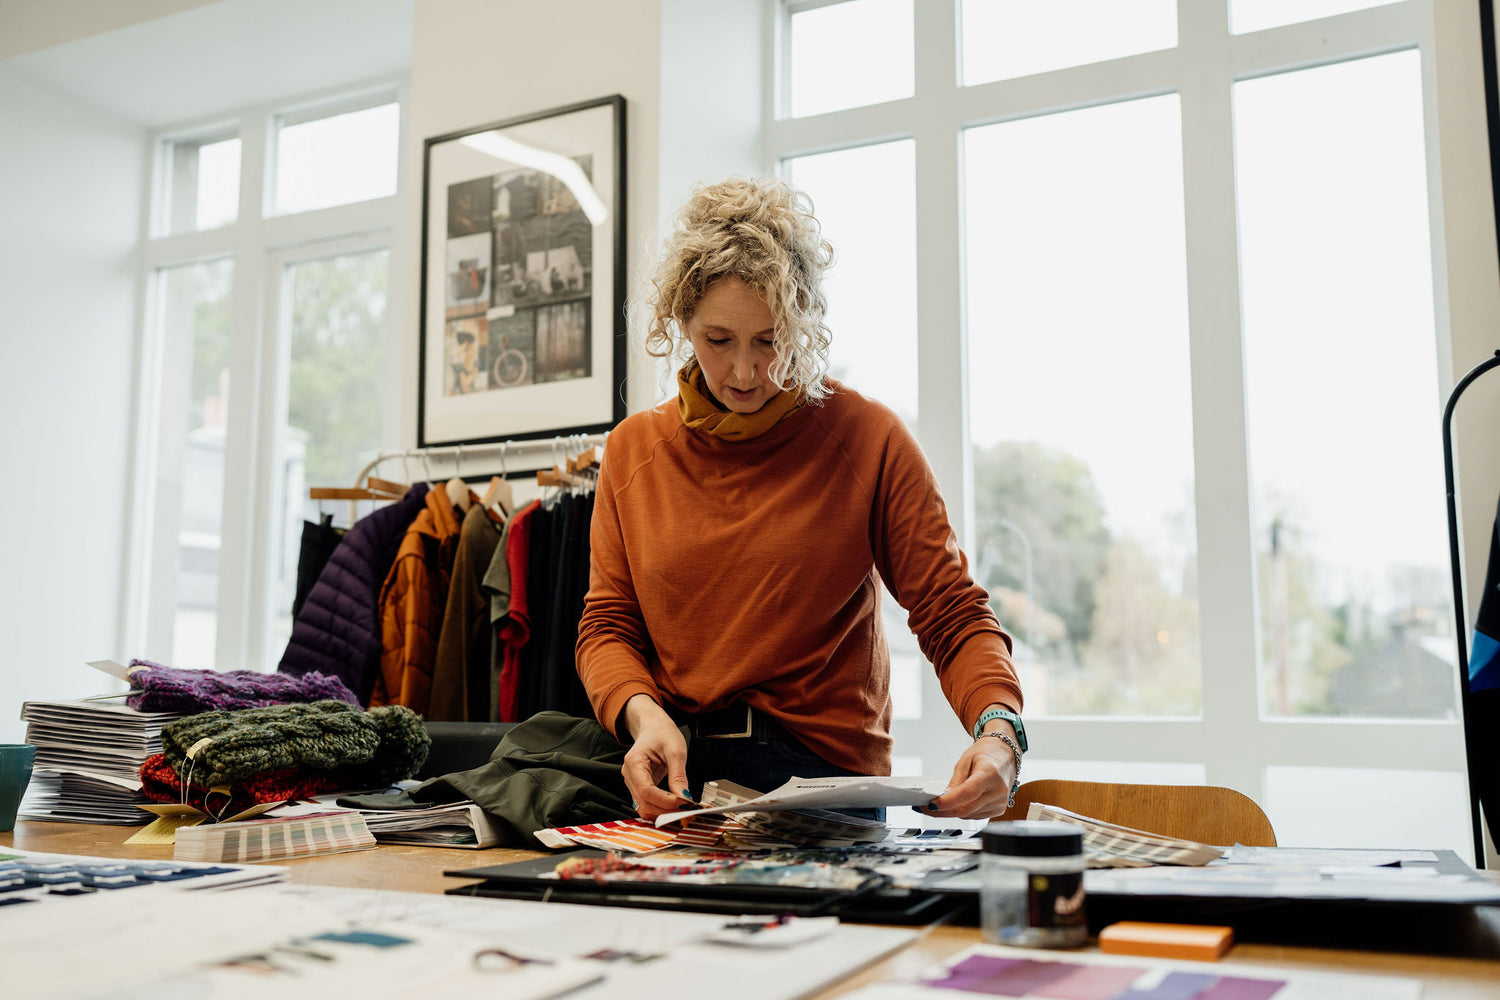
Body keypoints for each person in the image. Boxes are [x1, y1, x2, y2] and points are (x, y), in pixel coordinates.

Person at [575, 176, 1024, 823]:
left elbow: (952, 613)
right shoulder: (633, 451)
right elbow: (607, 625)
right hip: (678, 773)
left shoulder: (866, 437)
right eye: (719, 340)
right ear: (681, 322)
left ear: (804, 321)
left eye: (770, 339)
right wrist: (642, 716)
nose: (745, 372)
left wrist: (1000, 733)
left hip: (824, 785)